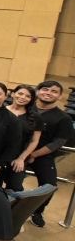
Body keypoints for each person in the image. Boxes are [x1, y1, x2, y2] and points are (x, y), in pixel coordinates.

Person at [27, 80, 73, 227]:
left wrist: (33, 154)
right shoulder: (26, 108)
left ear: (60, 96)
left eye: (54, 91)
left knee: (50, 185)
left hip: (41, 156)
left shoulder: (63, 118)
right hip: (17, 153)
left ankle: (37, 211)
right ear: (38, 92)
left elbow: (58, 142)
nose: (48, 93)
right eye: (45, 89)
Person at [6, 85, 43, 192]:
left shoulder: (36, 117)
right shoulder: (1, 111)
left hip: (18, 158)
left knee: (15, 188)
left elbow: (34, 141)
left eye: (28, 96)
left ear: (31, 99)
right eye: (20, 93)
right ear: (13, 94)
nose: (23, 97)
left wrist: (21, 158)